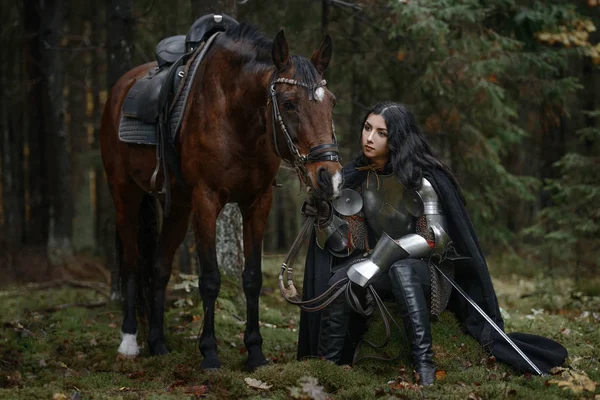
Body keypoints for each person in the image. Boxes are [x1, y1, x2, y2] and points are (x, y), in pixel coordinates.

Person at [297, 102, 567, 386]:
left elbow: (434, 237)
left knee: (403, 271)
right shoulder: (360, 179)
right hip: (382, 269)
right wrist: (326, 220)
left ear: (397, 137)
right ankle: (329, 366)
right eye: (367, 128)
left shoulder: (421, 179)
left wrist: (377, 260)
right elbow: (353, 242)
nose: (369, 138)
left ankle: (424, 367)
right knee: (340, 280)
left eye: (381, 133)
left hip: (428, 272)